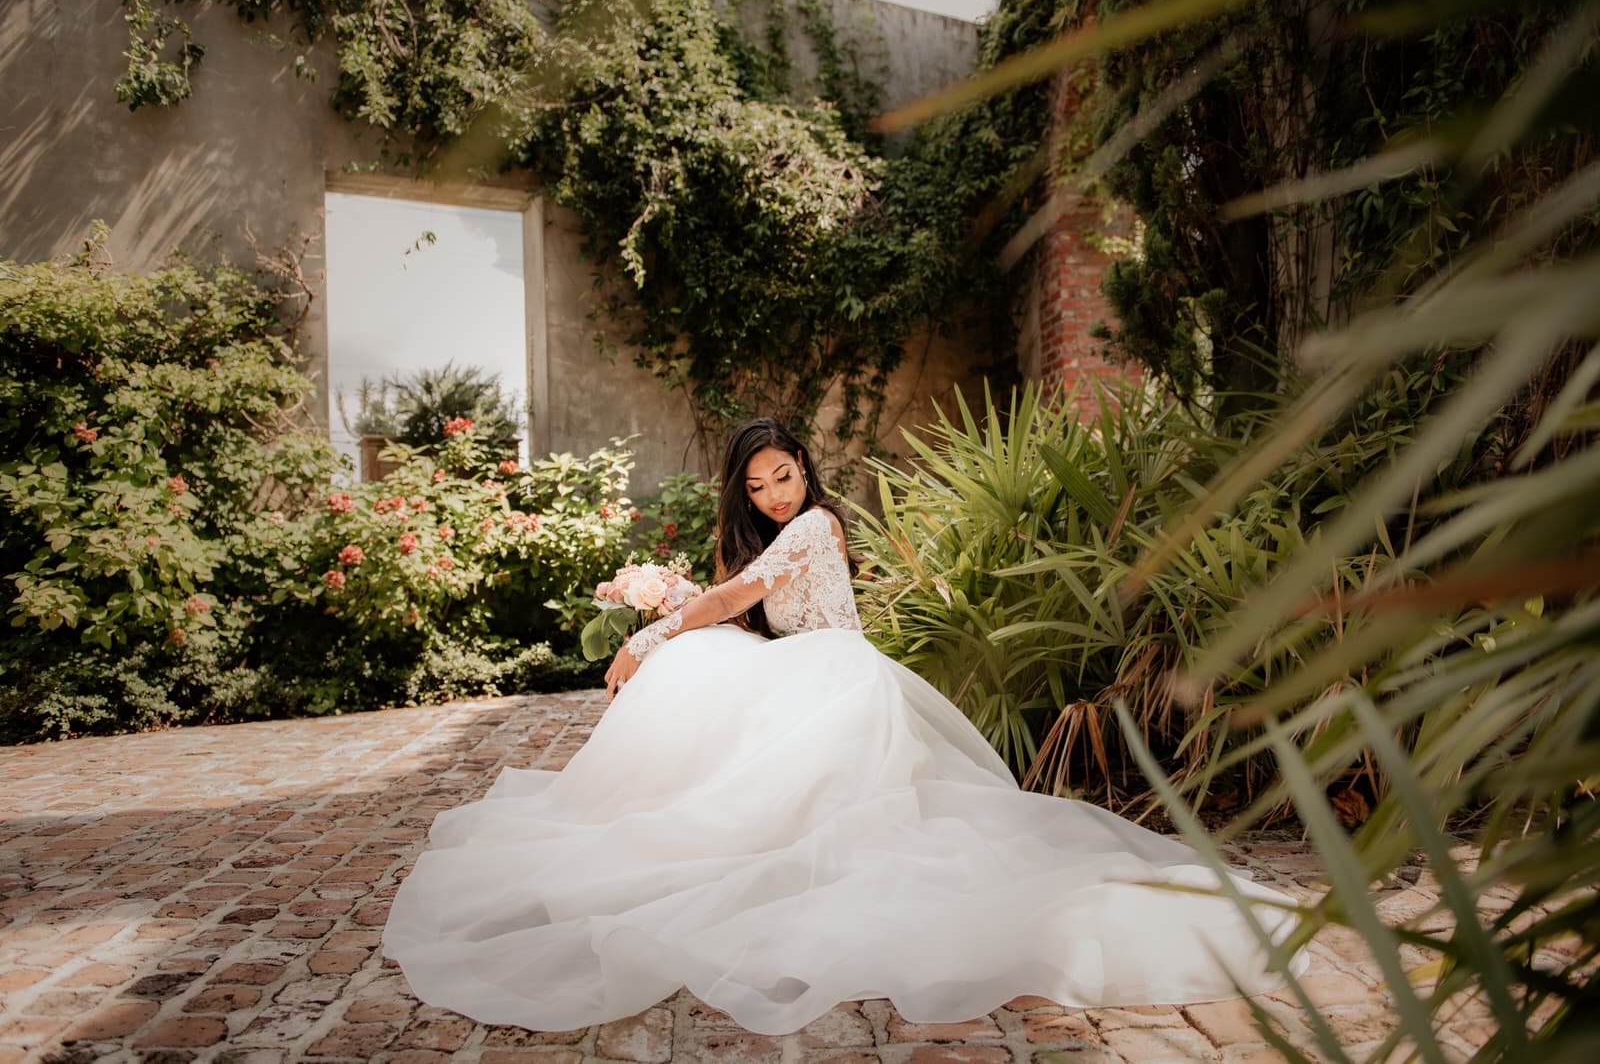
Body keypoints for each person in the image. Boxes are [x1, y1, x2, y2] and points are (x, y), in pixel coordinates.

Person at [382, 417, 1306, 1036]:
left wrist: (657, 626)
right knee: (704, 666)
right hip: (804, 671)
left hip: (839, 677)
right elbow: (744, 603)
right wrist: (670, 615)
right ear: (741, 492)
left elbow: (744, 594)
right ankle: (687, 820)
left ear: (806, 474)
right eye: (758, 485)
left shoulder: (816, 525)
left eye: (784, 475)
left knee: (700, 665)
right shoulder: (765, 533)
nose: (776, 493)